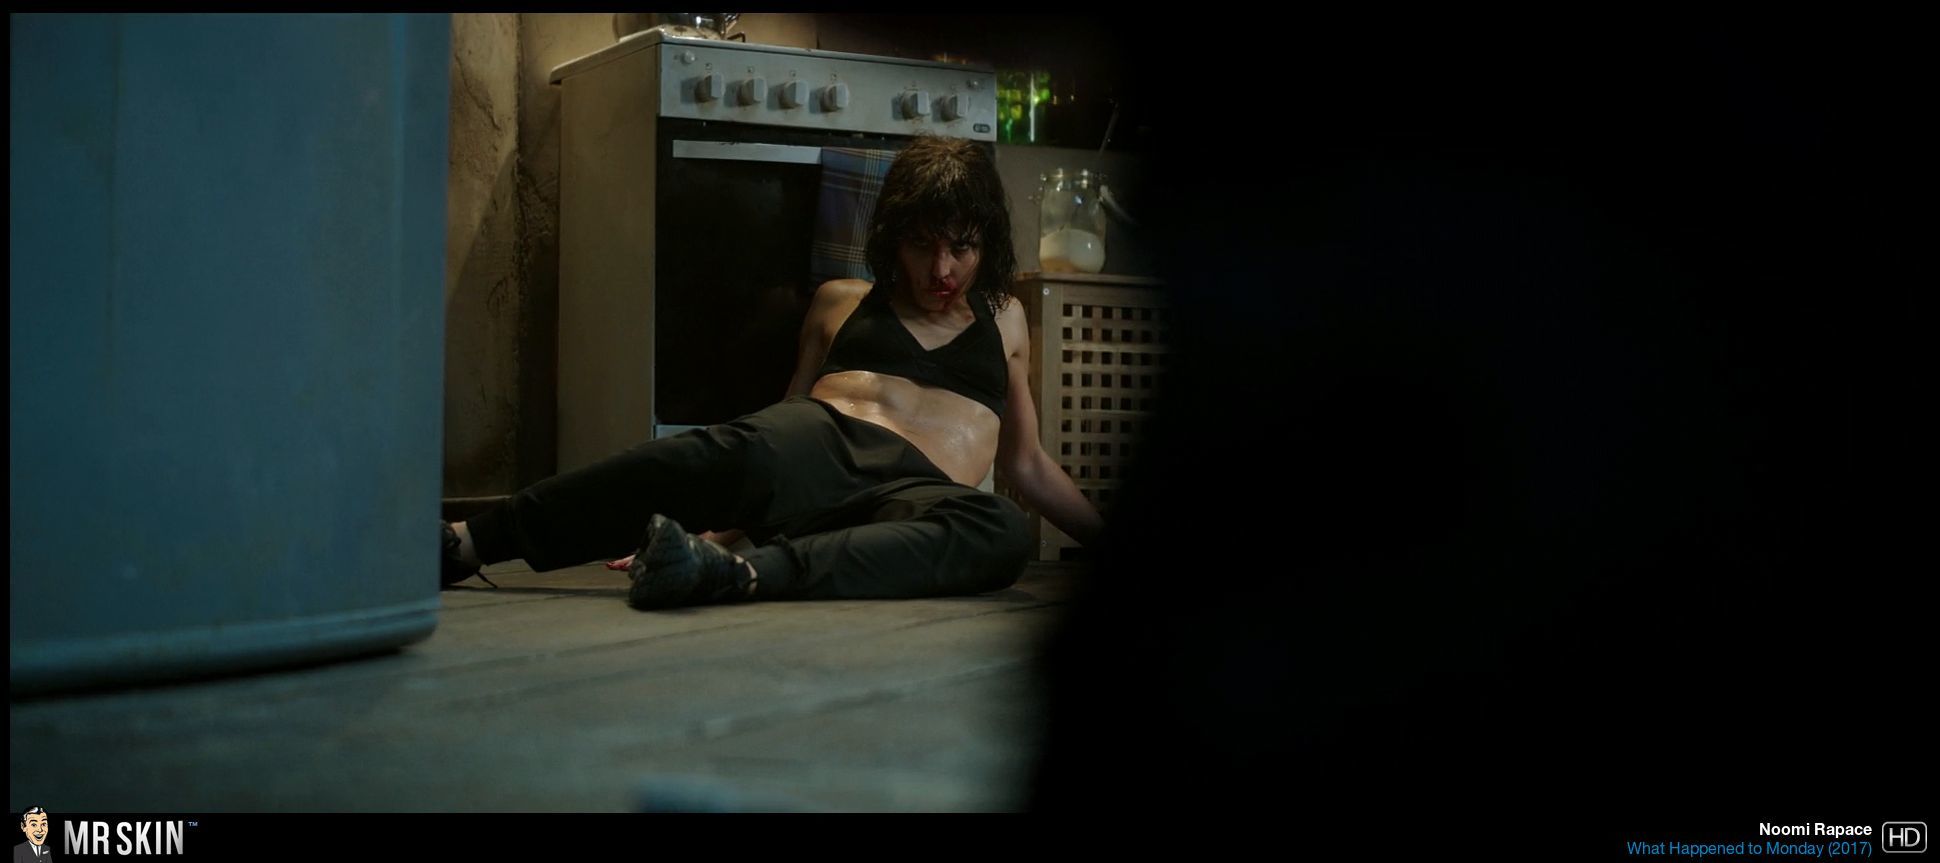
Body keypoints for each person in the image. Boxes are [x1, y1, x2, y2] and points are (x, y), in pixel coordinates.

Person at [441, 135, 1104, 608]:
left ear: (987, 243)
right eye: (922, 245)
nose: (941, 270)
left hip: (919, 497)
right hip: (823, 443)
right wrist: (717, 525)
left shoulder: (1006, 319)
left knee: (1000, 530)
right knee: (720, 453)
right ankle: (466, 542)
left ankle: (742, 574)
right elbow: (773, 438)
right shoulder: (842, 301)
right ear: (892, 239)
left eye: (961, 247)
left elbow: (1027, 464)